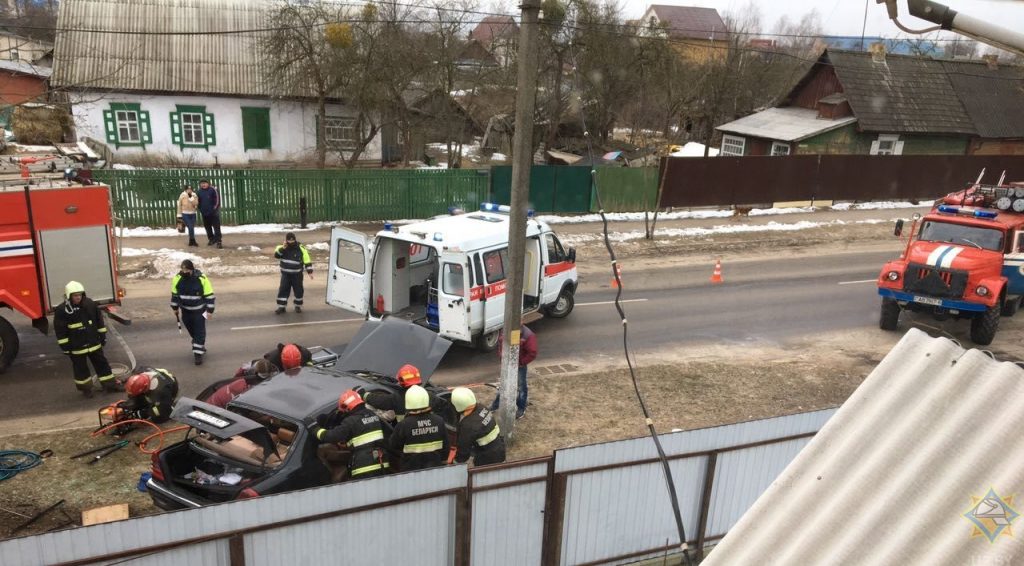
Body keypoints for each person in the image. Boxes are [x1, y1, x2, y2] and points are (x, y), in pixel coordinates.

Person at [54, 281, 119, 397]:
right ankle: (86, 389)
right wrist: (65, 347)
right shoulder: (62, 310)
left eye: (80, 294)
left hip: (93, 343)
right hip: (76, 347)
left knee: (102, 365)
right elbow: (60, 330)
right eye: (75, 295)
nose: (78, 297)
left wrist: (102, 336)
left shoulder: (90, 304)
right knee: (81, 370)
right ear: (69, 296)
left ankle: (110, 385)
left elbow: (99, 321)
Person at [312, 389, 389, 481]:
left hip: (364, 465)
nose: (344, 412)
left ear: (347, 407)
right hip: (381, 460)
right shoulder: (373, 415)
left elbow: (331, 436)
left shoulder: (350, 421)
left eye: (344, 410)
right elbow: (364, 433)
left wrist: (315, 429)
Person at [388, 385, 448, 471]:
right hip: (435, 468)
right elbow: (446, 446)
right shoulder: (439, 421)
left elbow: (393, 444)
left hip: (411, 470)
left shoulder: (404, 424)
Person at [170, 259, 215, 365]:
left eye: (187, 271)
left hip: (200, 311)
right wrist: (175, 308)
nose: (184, 272)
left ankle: (197, 355)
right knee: (193, 333)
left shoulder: (201, 278)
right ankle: (198, 343)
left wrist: (210, 311)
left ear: (192, 269)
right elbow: (175, 295)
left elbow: (209, 295)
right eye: (183, 270)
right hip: (186, 311)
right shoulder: (177, 278)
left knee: (199, 332)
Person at [490, 324, 537, 419]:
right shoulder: (505, 330)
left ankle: (521, 408)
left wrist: (521, 363)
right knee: (503, 386)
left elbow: (532, 352)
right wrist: (502, 357)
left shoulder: (528, 335)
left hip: (519, 366)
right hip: (506, 364)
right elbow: (501, 344)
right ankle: (495, 405)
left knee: (521, 387)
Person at [451, 387, 505, 466]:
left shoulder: (468, 426)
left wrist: (454, 463)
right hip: (500, 449)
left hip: (487, 459)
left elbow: (463, 453)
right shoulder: (482, 407)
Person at [207, 359, 275, 408]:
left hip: (210, 402)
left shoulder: (239, 382)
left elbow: (237, 376)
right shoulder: (248, 390)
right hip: (214, 408)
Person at [274, 232, 313, 314]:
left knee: (298, 290)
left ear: (295, 240)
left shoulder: (301, 248)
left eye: (292, 240)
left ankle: (297, 306)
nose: (291, 242)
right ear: (286, 240)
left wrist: (310, 272)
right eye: (289, 240)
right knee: (283, 289)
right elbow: (277, 255)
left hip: (297, 275)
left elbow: (307, 259)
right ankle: (281, 307)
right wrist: (283, 248)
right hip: (285, 274)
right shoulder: (281, 247)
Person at [196, 179, 222, 249]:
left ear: (208, 183)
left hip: (213, 213)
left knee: (216, 227)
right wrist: (200, 209)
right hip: (204, 213)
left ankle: (219, 241)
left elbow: (217, 200)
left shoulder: (213, 190)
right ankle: (211, 239)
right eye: (202, 183)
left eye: (205, 183)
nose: (203, 185)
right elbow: (198, 201)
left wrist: (214, 208)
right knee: (207, 227)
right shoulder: (199, 191)